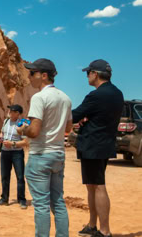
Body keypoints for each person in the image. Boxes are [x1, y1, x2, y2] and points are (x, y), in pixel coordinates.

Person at [17, 58, 73, 237]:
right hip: (58, 154)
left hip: (40, 154)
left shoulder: (39, 97)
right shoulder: (65, 98)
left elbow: (34, 131)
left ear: (43, 75)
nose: (29, 76)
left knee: (41, 205)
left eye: (32, 73)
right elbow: (68, 129)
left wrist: (22, 129)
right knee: (58, 202)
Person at [72, 60, 123, 237]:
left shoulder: (95, 95)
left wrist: (81, 118)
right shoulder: (117, 93)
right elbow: (101, 117)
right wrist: (88, 119)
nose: (87, 76)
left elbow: (74, 115)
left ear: (95, 73)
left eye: (88, 73)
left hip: (92, 145)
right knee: (92, 186)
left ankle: (104, 230)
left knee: (98, 186)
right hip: (105, 144)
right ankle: (93, 225)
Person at [0, 104, 28, 209]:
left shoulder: (22, 124)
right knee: (4, 176)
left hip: (17, 153)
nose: (9, 111)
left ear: (18, 113)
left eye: (12, 110)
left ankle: (22, 200)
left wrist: (12, 144)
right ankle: (4, 199)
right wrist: (1, 137)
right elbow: (2, 132)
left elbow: (25, 142)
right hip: (5, 153)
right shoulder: (5, 121)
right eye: (10, 110)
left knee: (20, 177)